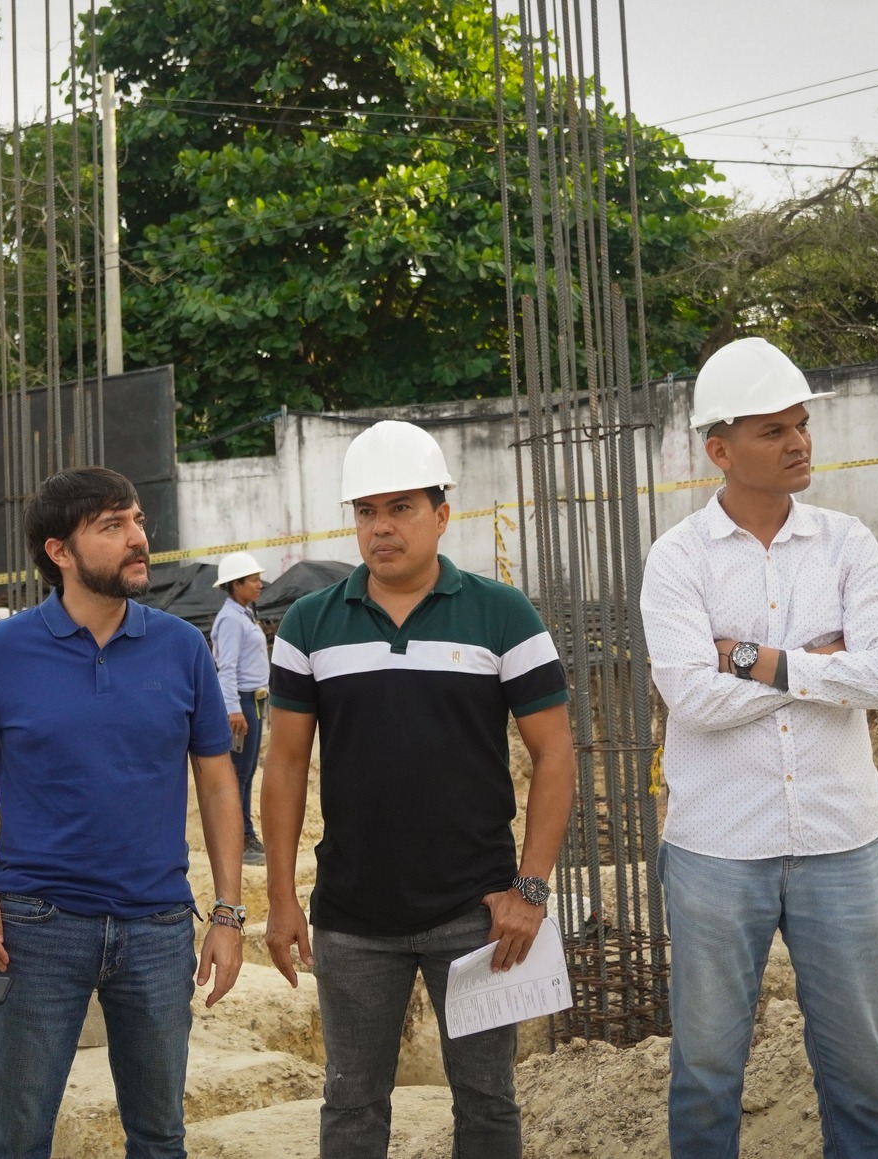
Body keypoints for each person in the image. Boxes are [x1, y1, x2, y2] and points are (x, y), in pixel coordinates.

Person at [261, 420, 578, 1159]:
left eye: (401, 507)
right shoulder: (310, 624)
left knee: (488, 1101)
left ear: (442, 512)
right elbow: (283, 765)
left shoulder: (503, 615)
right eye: (367, 511)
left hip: (477, 916)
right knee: (351, 1103)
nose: (381, 527)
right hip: (352, 917)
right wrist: (280, 896)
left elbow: (555, 754)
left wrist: (529, 890)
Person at [640, 337, 878, 1159]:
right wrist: (827, 665)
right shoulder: (677, 559)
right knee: (707, 1072)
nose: (799, 442)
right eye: (774, 430)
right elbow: (689, 696)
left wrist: (754, 657)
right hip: (718, 847)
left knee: (861, 1076)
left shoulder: (846, 543)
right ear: (719, 450)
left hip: (841, 841)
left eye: (800, 425)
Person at [0, 466, 246, 1159]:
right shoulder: (3, 651)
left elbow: (218, 782)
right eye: (112, 526)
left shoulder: (183, 647)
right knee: (19, 1138)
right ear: (59, 552)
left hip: (159, 928)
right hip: (33, 929)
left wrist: (227, 911)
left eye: (136, 520)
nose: (138, 539)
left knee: (161, 1139)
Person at [210, 550, 272, 866]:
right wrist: (233, 708)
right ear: (237, 585)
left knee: (245, 773)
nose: (259, 585)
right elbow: (227, 667)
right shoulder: (232, 621)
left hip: (253, 701)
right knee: (238, 774)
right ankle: (242, 837)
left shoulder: (243, 615)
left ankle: (245, 833)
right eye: (254, 580)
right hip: (242, 704)